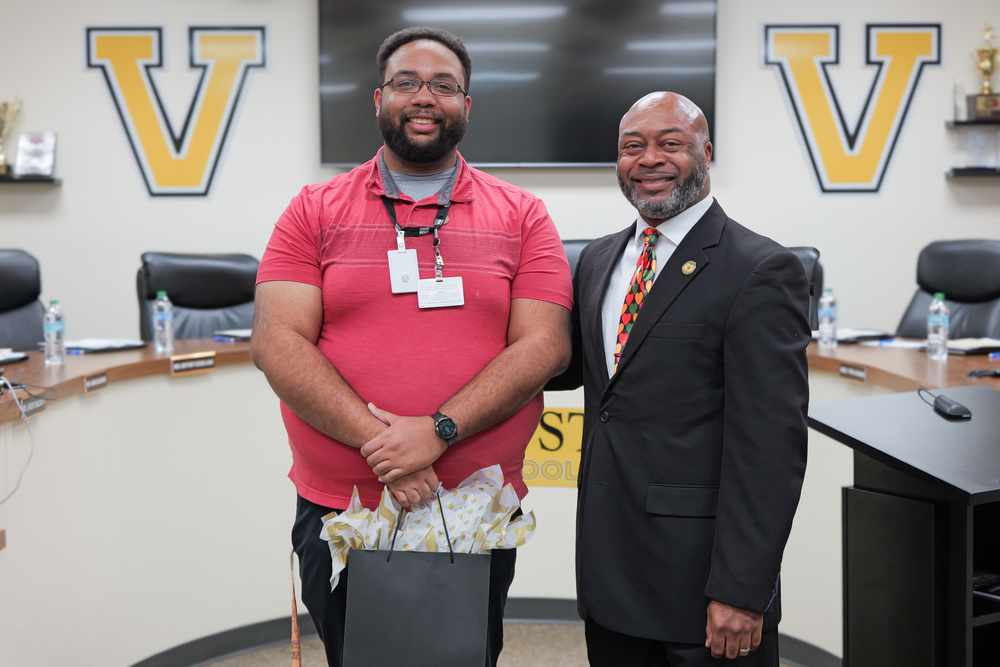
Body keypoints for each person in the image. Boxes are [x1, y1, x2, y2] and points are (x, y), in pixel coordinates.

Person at [250, 27, 573, 667]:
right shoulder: (313, 209)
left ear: (467, 106)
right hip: (342, 506)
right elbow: (277, 343)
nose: (424, 97)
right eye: (406, 83)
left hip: (475, 507)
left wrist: (439, 430)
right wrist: (393, 447)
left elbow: (546, 347)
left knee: (463, 655)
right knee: (355, 655)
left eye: (444, 85)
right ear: (378, 99)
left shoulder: (523, 214)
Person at [548, 91, 810, 665]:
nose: (649, 159)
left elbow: (770, 447)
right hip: (610, 569)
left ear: (707, 152)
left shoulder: (760, 269)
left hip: (702, 587)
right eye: (632, 147)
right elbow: (567, 368)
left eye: (671, 144)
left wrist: (742, 590)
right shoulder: (596, 259)